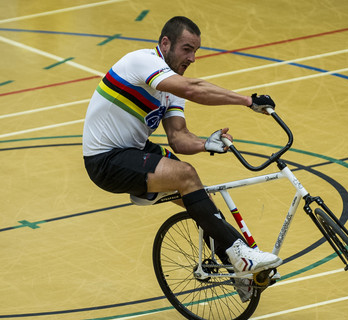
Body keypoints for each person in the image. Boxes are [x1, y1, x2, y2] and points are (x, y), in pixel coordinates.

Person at [82, 16, 283, 286]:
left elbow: (178, 137)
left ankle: (241, 274)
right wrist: (247, 101)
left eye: (195, 51)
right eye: (187, 49)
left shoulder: (170, 89)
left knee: (201, 200)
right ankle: (242, 254)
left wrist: (205, 143)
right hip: (105, 160)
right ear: (165, 43)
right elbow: (194, 89)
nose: (192, 58)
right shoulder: (141, 61)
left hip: (136, 150)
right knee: (185, 175)